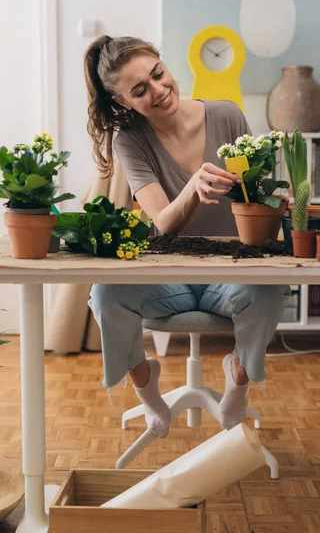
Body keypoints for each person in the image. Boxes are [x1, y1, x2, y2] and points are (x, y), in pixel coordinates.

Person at [84, 35, 290, 437]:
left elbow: (256, 197)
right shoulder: (131, 140)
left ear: (165, 65)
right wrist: (193, 186)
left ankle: (238, 376)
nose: (159, 91)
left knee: (269, 290)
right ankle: (147, 388)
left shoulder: (227, 117)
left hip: (231, 269)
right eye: (140, 90)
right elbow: (162, 223)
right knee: (106, 294)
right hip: (166, 271)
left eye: (158, 74)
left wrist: (279, 199)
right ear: (124, 102)